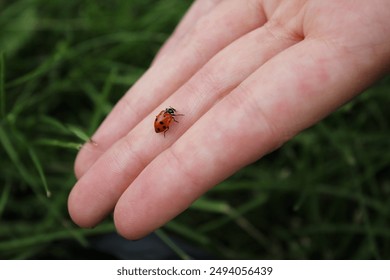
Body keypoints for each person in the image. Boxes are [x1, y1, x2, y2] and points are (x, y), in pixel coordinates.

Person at [68, 0, 390, 240]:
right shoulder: (167, 118)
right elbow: (168, 120)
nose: (168, 117)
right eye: (167, 118)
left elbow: (168, 119)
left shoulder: (167, 117)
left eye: (167, 117)